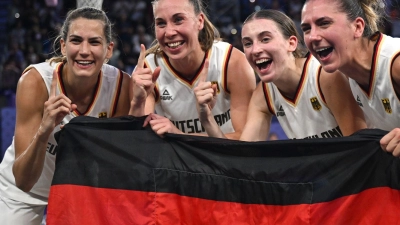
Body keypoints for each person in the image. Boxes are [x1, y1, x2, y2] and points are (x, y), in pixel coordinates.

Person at [0, 7, 133, 224]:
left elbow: (112, 166)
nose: (84, 50)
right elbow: (23, 181)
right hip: (23, 193)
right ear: (63, 45)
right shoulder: (35, 81)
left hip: (79, 190)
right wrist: (44, 130)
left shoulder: (121, 86)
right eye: (76, 40)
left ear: (109, 50)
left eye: (94, 42)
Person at [195, 9, 367, 141]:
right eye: (247, 43)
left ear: (291, 43)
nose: (255, 50)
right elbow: (243, 157)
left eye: (265, 39)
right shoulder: (263, 94)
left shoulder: (326, 76)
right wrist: (207, 120)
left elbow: (358, 149)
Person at [130, 0, 256, 140]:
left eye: (178, 20)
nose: (169, 32)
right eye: (161, 23)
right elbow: (141, 140)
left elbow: (246, 141)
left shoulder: (232, 62)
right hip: (176, 160)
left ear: (200, 21)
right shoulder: (148, 69)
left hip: (227, 158)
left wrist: (180, 136)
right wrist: (137, 102)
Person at [301, 0, 400, 156]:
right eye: (306, 29)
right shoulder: (343, 74)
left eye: (324, 23)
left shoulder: (395, 63)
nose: (313, 36)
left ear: (357, 27)